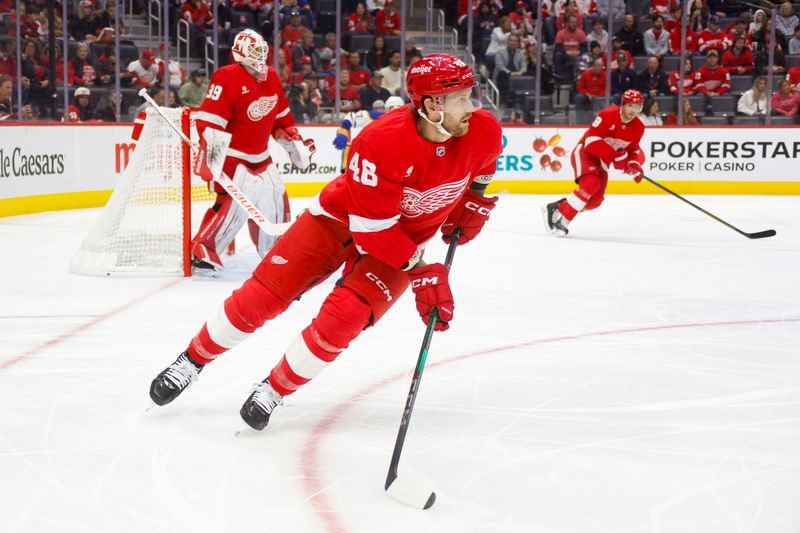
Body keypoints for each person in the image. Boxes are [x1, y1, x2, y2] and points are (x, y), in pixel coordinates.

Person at [148, 54, 504, 435]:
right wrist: (421, 272)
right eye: (463, 99)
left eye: (472, 95)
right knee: (263, 296)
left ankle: (273, 388)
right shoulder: (380, 142)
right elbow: (374, 233)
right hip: (341, 221)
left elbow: (482, 169)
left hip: (404, 239)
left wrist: (474, 203)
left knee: (343, 321)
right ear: (433, 104)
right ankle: (192, 360)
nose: (473, 107)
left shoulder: (481, 130)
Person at [188, 29, 317, 270]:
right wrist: (210, 158)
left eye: (263, 51)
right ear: (241, 52)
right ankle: (203, 249)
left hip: (261, 157)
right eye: (256, 51)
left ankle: (278, 251)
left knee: (277, 199)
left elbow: (282, 118)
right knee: (231, 209)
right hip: (232, 159)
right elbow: (210, 122)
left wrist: (293, 142)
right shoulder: (226, 76)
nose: (262, 56)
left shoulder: (272, 78)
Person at [542, 89, 645, 237]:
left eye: (637, 107)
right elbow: (591, 142)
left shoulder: (638, 128)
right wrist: (616, 156)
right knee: (591, 183)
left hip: (603, 161)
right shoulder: (607, 115)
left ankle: (558, 208)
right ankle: (564, 220)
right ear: (623, 104)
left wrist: (634, 165)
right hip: (585, 153)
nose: (633, 110)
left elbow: (633, 149)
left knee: (595, 201)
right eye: (630, 106)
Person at [332, 99, 386, 172]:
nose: (379, 110)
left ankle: (346, 171)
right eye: (378, 108)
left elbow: (350, 118)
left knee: (350, 146)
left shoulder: (370, 115)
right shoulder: (390, 117)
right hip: (380, 153)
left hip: (380, 153)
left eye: (380, 108)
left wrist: (343, 132)